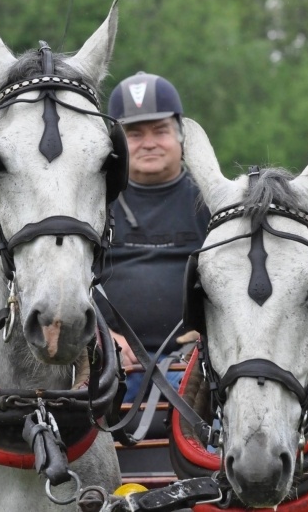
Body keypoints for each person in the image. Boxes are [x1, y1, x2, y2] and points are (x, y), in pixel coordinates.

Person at [95, 72, 210, 401]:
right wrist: (102, 338)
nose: (149, 143)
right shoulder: (91, 203)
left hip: (194, 363)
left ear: (181, 136)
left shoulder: (212, 202)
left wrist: (209, 336)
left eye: (160, 131)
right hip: (107, 362)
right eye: (134, 134)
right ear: (115, 142)